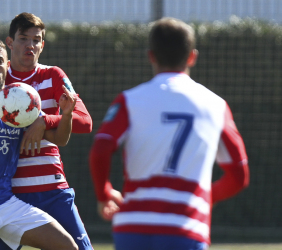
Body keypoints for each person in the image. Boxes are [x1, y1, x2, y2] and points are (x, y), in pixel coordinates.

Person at [89, 18, 250, 250]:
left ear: (151, 56)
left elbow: (101, 148)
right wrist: (208, 197)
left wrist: (104, 192)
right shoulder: (216, 106)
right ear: (192, 56)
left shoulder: (129, 100)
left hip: (132, 226)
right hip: (186, 226)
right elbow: (239, 175)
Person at [0, 13, 94, 250]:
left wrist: (45, 120)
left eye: (36, 40)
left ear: (42, 45)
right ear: (10, 43)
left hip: (52, 188)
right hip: (8, 194)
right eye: (23, 39)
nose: (30, 45)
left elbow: (85, 121)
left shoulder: (53, 75)